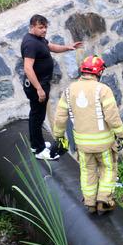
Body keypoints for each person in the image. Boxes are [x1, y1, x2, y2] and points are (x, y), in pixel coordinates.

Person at [52, 55, 123, 214]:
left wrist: (58, 135)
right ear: (99, 72)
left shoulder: (69, 91)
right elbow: (112, 117)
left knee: (87, 171)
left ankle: (90, 203)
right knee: (108, 169)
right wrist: (121, 134)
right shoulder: (103, 90)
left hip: (83, 145)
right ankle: (104, 200)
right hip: (104, 144)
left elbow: (60, 116)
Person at [21, 14, 82, 160]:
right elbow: (28, 68)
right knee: (37, 116)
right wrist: (39, 89)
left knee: (38, 115)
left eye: (45, 27)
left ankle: (38, 143)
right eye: (41, 28)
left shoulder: (38, 39)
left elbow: (50, 47)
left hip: (41, 84)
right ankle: (38, 149)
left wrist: (68, 47)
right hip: (37, 86)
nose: (44, 30)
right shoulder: (30, 43)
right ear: (32, 27)